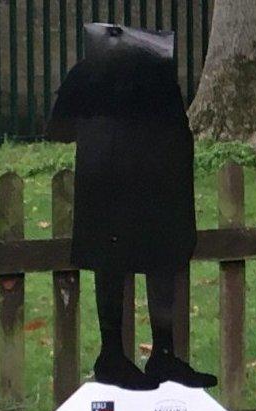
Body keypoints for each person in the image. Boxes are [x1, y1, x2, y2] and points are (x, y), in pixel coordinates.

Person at [46, 23, 216, 390]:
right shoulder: (153, 76)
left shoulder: (92, 74)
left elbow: (58, 128)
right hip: (133, 181)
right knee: (141, 261)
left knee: (140, 260)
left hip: (131, 181)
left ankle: (146, 354)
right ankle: (131, 354)